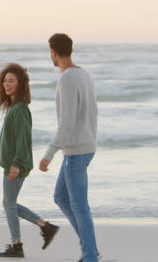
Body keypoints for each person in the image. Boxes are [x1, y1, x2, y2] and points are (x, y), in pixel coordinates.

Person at [39, 33, 100, 262]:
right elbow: (93, 112)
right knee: (61, 197)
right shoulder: (84, 74)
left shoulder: (67, 78)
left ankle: (91, 255)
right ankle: (89, 248)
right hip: (86, 146)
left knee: (79, 205)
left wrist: (49, 154)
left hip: (75, 151)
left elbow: (66, 122)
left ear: (53, 52)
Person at [0, 63, 59, 258]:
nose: (6, 84)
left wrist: (16, 164)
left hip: (16, 165)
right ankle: (45, 227)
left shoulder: (21, 109)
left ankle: (17, 245)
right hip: (13, 164)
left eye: (11, 81)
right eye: (5, 81)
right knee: (9, 203)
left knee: (10, 204)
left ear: (21, 84)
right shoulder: (15, 107)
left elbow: (23, 139)